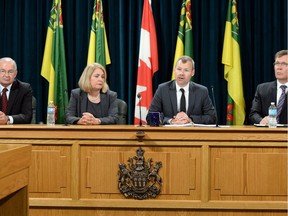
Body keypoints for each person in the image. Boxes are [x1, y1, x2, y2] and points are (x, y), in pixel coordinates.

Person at [147, 56, 216, 125]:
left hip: (193, 134)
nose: (181, 73)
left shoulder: (201, 91)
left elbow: (212, 117)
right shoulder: (162, 89)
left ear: (192, 72)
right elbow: (150, 116)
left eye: (186, 70)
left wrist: (190, 119)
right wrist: (171, 121)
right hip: (169, 134)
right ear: (174, 70)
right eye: (179, 69)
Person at [249, 50, 288, 125]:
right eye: (277, 63)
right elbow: (253, 114)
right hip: (268, 134)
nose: (279, 68)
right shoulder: (262, 89)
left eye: (284, 64)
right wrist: (261, 120)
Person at [0, 57, 33, 124]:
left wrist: (7, 119)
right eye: (3, 71)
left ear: (15, 74)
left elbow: (27, 117)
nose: (6, 75)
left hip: (16, 132)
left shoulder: (24, 89)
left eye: (10, 72)